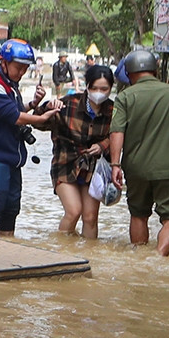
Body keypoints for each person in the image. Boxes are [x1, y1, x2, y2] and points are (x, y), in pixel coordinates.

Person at [110, 47, 169, 256]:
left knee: (138, 214)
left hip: (136, 168)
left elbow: (117, 131)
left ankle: (140, 258)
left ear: (129, 75)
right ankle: (159, 258)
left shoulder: (125, 97)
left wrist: (115, 165)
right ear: (155, 71)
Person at [0, 37, 58, 238]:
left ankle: (6, 247)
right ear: (3, 62)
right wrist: (41, 117)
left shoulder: (9, 84)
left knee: (11, 208)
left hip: (11, 156)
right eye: (18, 67)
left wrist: (33, 104)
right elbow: (13, 116)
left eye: (24, 69)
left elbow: (14, 110)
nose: (21, 72)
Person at [48, 64, 115, 238]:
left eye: (104, 88)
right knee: (73, 211)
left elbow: (120, 134)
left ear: (110, 89)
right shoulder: (69, 104)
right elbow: (39, 121)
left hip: (93, 168)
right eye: (94, 88)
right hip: (66, 163)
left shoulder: (114, 110)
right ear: (87, 86)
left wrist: (103, 145)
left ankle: (90, 257)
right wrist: (49, 107)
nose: (99, 92)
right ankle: (60, 253)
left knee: (90, 217)